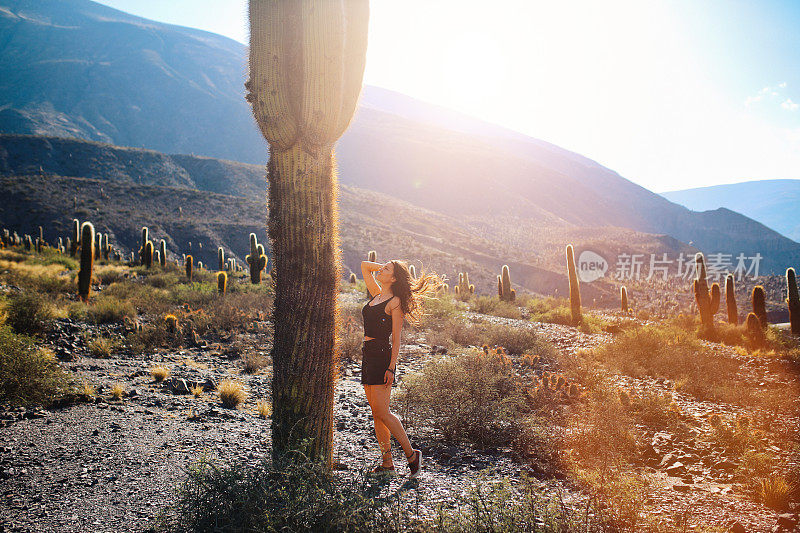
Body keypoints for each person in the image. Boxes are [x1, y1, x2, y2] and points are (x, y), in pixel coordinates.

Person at [360, 259, 445, 477]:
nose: (381, 270)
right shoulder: (377, 294)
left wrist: (391, 368)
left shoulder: (395, 301)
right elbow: (363, 266)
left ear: (394, 278)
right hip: (367, 354)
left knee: (383, 412)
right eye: (383, 268)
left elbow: (396, 339)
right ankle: (387, 463)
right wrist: (386, 268)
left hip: (381, 356)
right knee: (375, 414)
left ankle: (411, 454)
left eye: (387, 270)